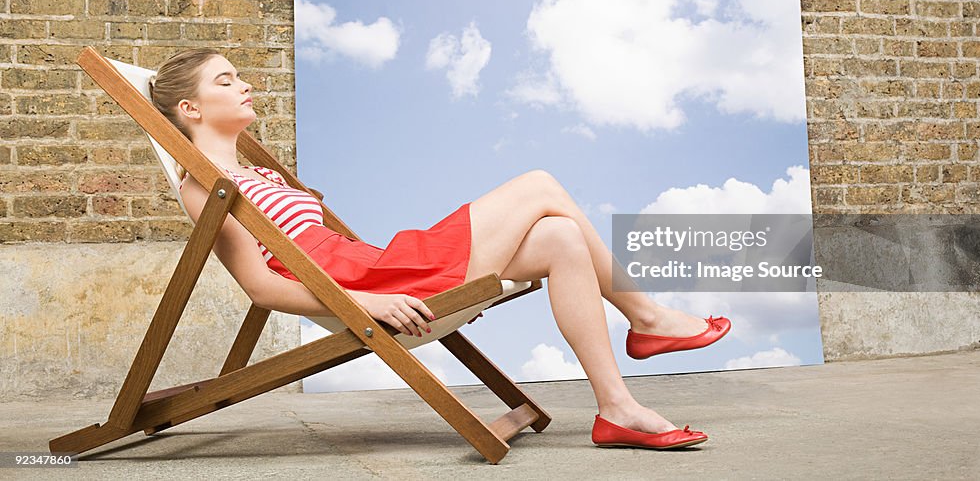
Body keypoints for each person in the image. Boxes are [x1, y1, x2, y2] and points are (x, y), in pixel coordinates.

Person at [149, 47, 732, 451]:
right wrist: (363, 305)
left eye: (237, 75)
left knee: (561, 236)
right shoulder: (205, 184)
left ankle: (617, 410)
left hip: (375, 264)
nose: (244, 84)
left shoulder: (256, 174)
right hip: (372, 285)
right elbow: (259, 285)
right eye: (224, 81)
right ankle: (647, 316)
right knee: (539, 184)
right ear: (190, 110)